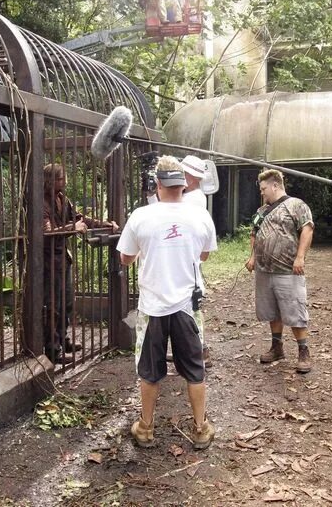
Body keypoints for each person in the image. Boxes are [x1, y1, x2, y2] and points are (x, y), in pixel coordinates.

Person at [117, 155, 218, 449]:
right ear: (183, 185)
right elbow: (204, 255)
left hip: (153, 307)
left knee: (149, 371)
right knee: (194, 370)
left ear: (158, 183)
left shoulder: (140, 216)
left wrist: (144, 253)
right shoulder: (201, 216)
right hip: (188, 306)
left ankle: (146, 428)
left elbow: (124, 258)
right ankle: (200, 428)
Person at [43, 163, 118, 363]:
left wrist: (106, 225)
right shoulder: (41, 202)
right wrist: (72, 227)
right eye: (60, 179)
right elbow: (46, 232)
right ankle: (52, 349)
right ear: (50, 181)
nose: (64, 182)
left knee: (66, 302)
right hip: (47, 260)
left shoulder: (61, 198)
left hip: (62, 258)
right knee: (53, 305)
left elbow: (81, 219)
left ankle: (63, 339)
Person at [245, 169, 314, 373]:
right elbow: (254, 234)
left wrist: (300, 257)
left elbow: (307, 229)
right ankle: (277, 347)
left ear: (275, 185)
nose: (262, 193)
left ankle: (303, 351)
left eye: (264, 188)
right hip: (264, 270)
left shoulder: (296, 205)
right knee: (272, 310)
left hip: (287, 270)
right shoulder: (261, 211)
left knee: (294, 310)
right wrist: (252, 257)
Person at [181, 155, 212, 366]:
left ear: (191, 177)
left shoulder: (193, 199)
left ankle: (200, 349)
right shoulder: (192, 196)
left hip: (188, 261)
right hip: (188, 259)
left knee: (191, 308)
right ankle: (194, 348)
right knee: (188, 307)